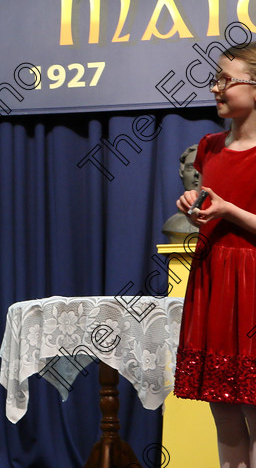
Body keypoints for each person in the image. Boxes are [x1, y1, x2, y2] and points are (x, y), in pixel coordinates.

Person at [173, 42, 256, 468]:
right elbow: (208, 210)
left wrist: (229, 210)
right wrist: (195, 204)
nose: (215, 87)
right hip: (213, 283)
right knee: (223, 413)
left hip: (253, 288)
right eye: (216, 78)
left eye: (227, 79)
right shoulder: (208, 147)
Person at [161, 144, 200, 243]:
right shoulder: (173, 224)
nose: (196, 173)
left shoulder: (221, 224)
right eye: (191, 167)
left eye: (201, 166)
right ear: (181, 173)